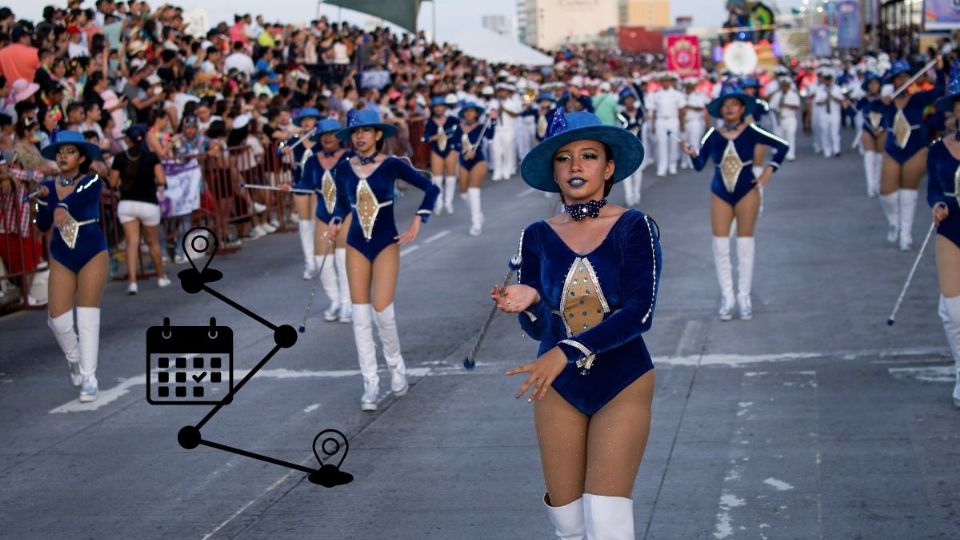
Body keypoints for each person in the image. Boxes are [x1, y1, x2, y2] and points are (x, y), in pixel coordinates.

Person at [491, 109, 660, 539]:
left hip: (622, 379)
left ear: (607, 168)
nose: (575, 165)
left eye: (588, 155)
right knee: (568, 521)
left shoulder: (633, 227)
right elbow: (539, 329)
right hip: (558, 386)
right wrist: (527, 304)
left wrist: (564, 352)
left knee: (606, 520)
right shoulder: (536, 234)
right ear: (554, 172)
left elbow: (640, 313)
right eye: (563, 158)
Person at [327, 110, 440, 411]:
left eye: (365, 131)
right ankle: (370, 383)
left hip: (386, 242)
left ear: (378, 135)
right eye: (355, 132)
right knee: (360, 315)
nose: (359, 137)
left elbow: (431, 188)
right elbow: (340, 203)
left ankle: (396, 368)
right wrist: (336, 220)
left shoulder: (392, 165)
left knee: (382, 310)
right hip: (355, 243)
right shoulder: (343, 167)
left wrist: (419, 219)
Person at [680, 82, 790, 320]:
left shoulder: (753, 132)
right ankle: (727, 298)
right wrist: (691, 155)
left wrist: (770, 169)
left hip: (747, 191)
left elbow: (783, 146)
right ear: (720, 109)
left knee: (744, 246)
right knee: (720, 247)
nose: (730, 109)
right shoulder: (713, 134)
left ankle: (744, 297)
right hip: (720, 191)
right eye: (725, 105)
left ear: (742, 108)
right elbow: (700, 166)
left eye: (734, 104)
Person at [34, 131, 107, 402]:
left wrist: (62, 204)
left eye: (70, 151)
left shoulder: (92, 180)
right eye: (60, 152)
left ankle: (89, 377)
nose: (63, 156)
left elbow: (81, 197)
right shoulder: (48, 186)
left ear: (82, 156)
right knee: (59, 321)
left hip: (91, 250)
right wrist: (41, 201)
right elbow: (40, 225)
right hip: (62, 254)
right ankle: (74, 359)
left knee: (87, 316)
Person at [879, 57, 944, 251]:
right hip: (893, 146)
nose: (902, 81)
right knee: (887, 192)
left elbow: (940, 90)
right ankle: (894, 222)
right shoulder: (887, 101)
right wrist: (881, 99)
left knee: (909, 190)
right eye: (898, 78)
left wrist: (940, 71)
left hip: (916, 146)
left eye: (906, 77)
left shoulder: (918, 98)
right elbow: (866, 105)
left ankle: (905, 233)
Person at [299, 118, 354, 323]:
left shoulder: (349, 157)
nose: (328, 138)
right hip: (323, 213)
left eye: (332, 134)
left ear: (339, 136)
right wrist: (293, 187)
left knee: (343, 259)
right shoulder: (313, 160)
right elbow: (305, 184)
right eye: (324, 135)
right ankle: (335, 301)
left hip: (346, 213)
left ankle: (348, 304)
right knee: (323, 260)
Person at [927, 75, 960, 409]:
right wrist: (936, 205)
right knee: (953, 308)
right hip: (951, 225)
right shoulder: (938, 149)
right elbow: (933, 189)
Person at [107, 124, 171, 295]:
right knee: (153, 242)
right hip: (148, 203)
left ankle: (133, 282)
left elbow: (112, 183)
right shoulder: (151, 157)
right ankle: (161, 277)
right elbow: (161, 179)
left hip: (126, 204)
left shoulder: (119, 158)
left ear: (127, 139)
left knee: (131, 243)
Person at [281, 107, 322, 280]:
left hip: (318, 184)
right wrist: (284, 149)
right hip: (301, 183)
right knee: (304, 224)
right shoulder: (295, 140)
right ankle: (310, 262)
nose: (306, 122)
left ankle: (320, 259)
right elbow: (279, 149)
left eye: (310, 119)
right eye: (304, 120)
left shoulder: (322, 140)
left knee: (317, 221)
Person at [457, 102, 494, 236]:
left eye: (472, 111)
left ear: (476, 114)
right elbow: (454, 145)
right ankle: (478, 213)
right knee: (463, 193)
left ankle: (476, 223)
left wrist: (493, 120)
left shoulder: (480, 127)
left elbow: (490, 136)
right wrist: (464, 152)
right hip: (463, 161)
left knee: (473, 191)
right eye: (466, 111)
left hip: (478, 161)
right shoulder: (459, 128)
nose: (469, 114)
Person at [420, 95, 459, 215]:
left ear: (445, 108)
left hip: (451, 149)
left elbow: (461, 131)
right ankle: (438, 202)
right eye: (436, 107)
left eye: (441, 106)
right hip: (437, 150)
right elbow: (424, 137)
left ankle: (448, 202)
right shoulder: (430, 123)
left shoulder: (452, 120)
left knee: (451, 176)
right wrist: (433, 137)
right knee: (437, 178)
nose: (438, 109)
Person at [856, 72, 886, 197]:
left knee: (880, 158)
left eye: (876, 83)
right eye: (871, 84)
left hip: (881, 129)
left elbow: (889, 114)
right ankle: (870, 185)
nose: (874, 86)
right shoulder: (863, 100)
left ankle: (879, 185)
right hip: (868, 129)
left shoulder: (885, 99)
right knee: (869, 156)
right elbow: (858, 110)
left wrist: (882, 127)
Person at [650, 73, 684, 176]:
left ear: (670, 82)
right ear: (661, 83)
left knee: (673, 143)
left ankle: (672, 165)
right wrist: (653, 124)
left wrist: (682, 123)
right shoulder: (656, 94)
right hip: (660, 120)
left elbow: (681, 110)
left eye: (668, 81)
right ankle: (662, 167)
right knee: (662, 144)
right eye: (664, 81)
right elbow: (654, 111)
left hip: (673, 119)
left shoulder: (677, 94)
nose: (666, 83)